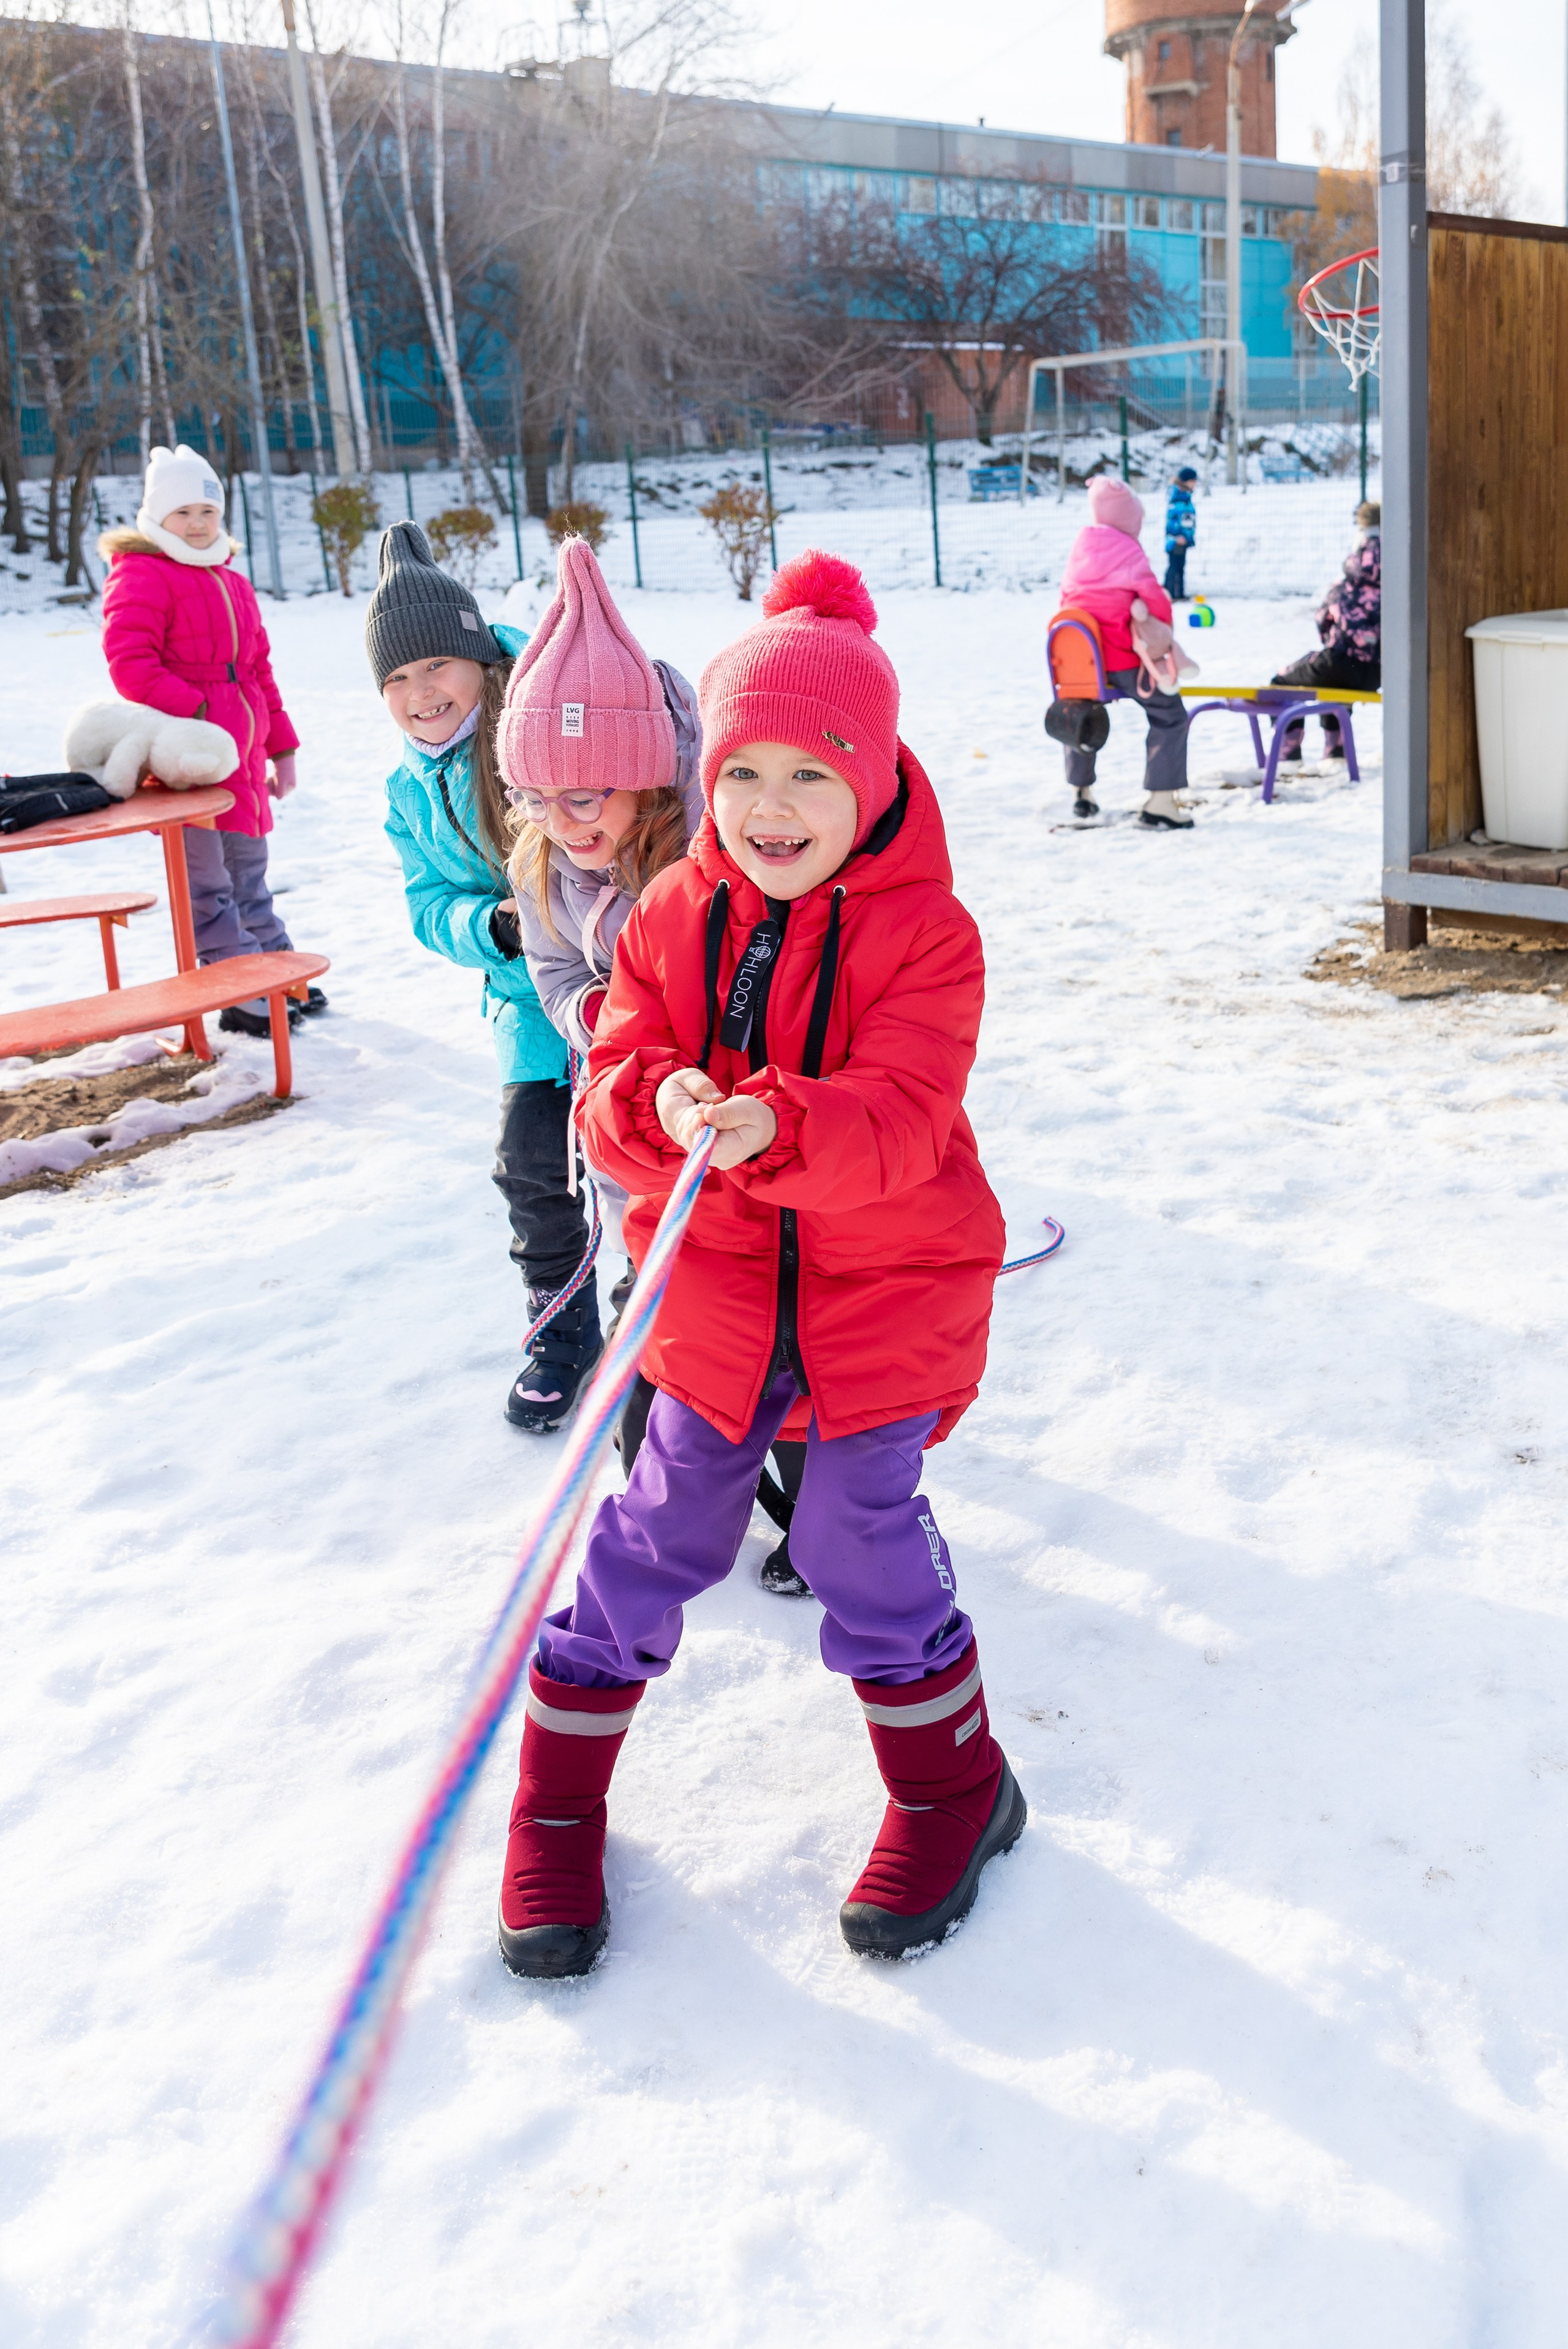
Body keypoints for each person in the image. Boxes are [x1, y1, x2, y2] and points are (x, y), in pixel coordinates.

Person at [496, 549, 1022, 1981]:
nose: (768, 810)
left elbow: (902, 1120)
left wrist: (773, 1121)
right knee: (655, 1531)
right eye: (740, 774)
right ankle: (555, 1793)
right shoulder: (673, 910)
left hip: (887, 1287)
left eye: (809, 775)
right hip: (718, 1291)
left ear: (873, 777)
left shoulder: (927, 934)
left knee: (855, 1532)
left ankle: (949, 1783)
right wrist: (652, 1104)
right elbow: (612, 1064)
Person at [501, 536, 815, 1602]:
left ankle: (815, 1506)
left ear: (646, 777)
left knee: (776, 1333)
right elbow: (552, 967)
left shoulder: (709, 865)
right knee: (669, 1329)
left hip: (742, 1139)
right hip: (644, 1139)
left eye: (588, 794)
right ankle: (673, 1507)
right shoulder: (547, 865)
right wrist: (601, 1015)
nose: (566, 820)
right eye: (541, 799)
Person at [367, 522, 597, 1433]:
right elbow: (427, 908)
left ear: (474, 656)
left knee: (641, 1150)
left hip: (608, 968)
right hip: (522, 996)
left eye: (434, 667)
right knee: (532, 1162)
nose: (420, 694)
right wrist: (490, 923)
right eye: (395, 680)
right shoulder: (405, 791)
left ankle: (683, 1316)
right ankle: (561, 1326)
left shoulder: (535, 717)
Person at [99, 443, 323, 1036]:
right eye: (184, 514)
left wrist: (282, 747)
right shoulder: (142, 573)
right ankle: (235, 981)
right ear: (157, 518)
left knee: (249, 869)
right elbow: (131, 663)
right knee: (207, 879)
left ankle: (275, 964)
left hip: (244, 753)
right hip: (189, 755)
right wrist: (199, 712)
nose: (198, 525)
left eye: (208, 512)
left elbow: (259, 670)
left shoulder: (231, 580)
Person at [1056, 475, 1193, 830]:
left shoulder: (1080, 547)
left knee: (1080, 711)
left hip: (1079, 661)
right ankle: (1162, 800)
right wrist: (1161, 630)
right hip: (1121, 659)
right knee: (1170, 713)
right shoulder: (1128, 550)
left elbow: (1066, 600)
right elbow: (1155, 600)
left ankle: (1081, 793)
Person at [1270, 500, 1381, 768]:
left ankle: (1289, 752)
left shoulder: (1345, 586)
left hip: (1340, 662)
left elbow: (1323, 621)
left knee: (1282, 682)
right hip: (1377, 673)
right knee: (1337, 687)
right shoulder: (1402, 578)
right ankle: (1336, 750)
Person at [1163, 466, 1198, 601]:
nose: (1195, 484)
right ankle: (1170, 593)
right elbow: (1173, 519)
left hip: (1183, 538)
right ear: (1186, 481)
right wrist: (1176, 536)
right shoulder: (1178, 497)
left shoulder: (1185, 496)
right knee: (1175, 566)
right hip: (1177, 539)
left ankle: (1179, 593)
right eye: (1193, 481)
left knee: (1180, 565)